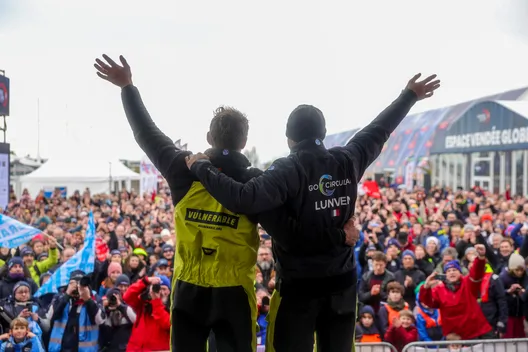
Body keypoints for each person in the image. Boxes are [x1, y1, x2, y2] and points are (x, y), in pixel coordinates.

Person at [94, 54, 354, 352]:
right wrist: (337, 232)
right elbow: (290, 229)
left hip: (189, 290)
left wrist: (127, 87)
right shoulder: (256, 181)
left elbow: (146, 133)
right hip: (234, 293)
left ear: (209, 137)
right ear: (244, 142)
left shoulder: (183, 169)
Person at [185, 74, 440, 351]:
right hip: (342, 289)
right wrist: (408, 96)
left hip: (298, 292)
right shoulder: (348, 159)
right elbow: (379, 129)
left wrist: (201, 167)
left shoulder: (287, 169)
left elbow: (243, 198)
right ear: (323, 134)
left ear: (289, 139)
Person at [419, 244, 494, 340]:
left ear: (460, 273)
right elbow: (429, 303)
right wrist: (426, 287)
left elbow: (477, 274)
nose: (452, 272)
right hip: (454, 335)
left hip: (473, 332)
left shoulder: (468, 283)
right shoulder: (439, 289)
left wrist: (480, 258)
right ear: (445, 274)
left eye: (454, 270)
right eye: (449, 271)